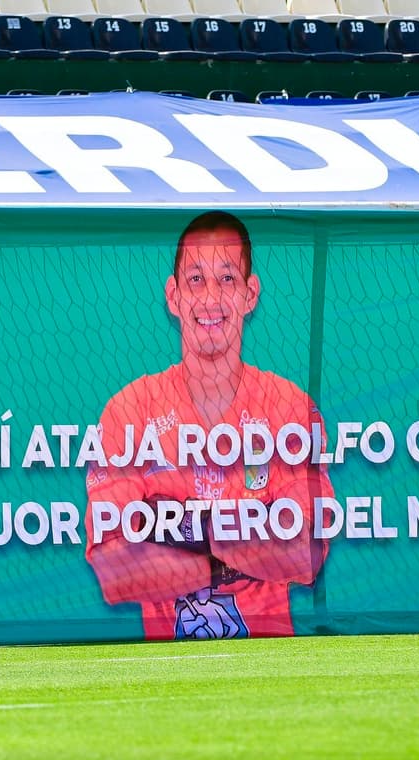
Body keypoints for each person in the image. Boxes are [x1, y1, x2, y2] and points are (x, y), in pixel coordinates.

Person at [84, 211, 333, 641]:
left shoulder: (288, 406)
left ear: (250, 294)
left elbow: (305, 554)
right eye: (196, 279)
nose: (211, 299)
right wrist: (245, 541)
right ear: (173, 295)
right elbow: (114, 570)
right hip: (161, 675)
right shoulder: (131, 408)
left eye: (227, 279)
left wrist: (178, 528)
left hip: (272, 668)